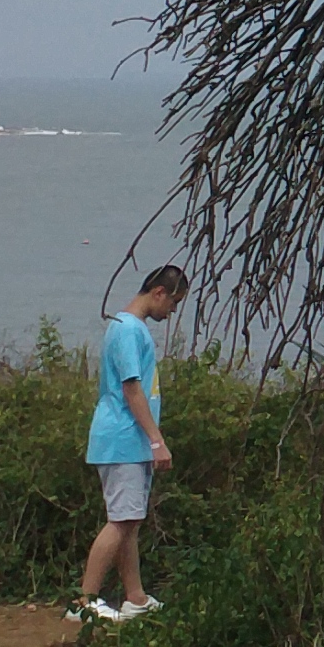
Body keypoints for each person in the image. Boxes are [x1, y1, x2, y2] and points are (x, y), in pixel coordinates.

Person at [75, 264, 187, 623]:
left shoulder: (132, 329)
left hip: (129, 441)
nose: (172, 312)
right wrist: (157, 441)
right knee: (121, 521)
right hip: (122, 439)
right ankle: (84, 602)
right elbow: (131, 388)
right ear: (158, 292)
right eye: (173, 303)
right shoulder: (126, 330)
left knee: (130, 520)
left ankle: (135, 598)